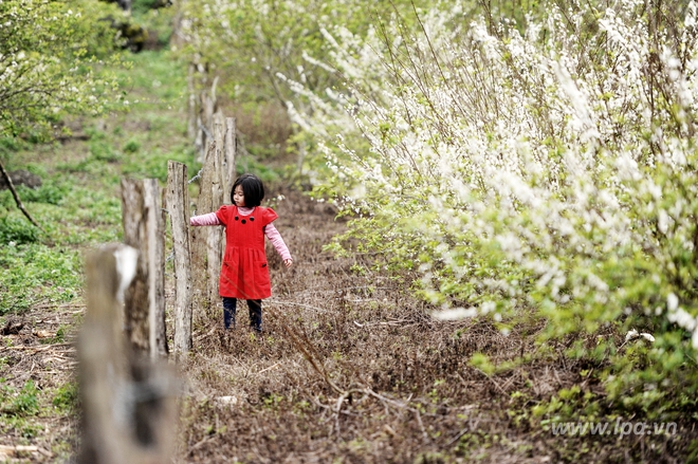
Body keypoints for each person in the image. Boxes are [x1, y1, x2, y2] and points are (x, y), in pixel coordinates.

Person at [190, 173, 293, 332]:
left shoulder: (261, 215)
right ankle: (229, 329)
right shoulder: (228, 212)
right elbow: (210, 218)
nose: (236, 197)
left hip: (253, 264)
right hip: (233, 262)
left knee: (254, 298)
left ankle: (255, 329)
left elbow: (275, 237)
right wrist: (191, 220)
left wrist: (285, 254)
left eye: (241, 194)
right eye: (235, 193)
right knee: (228, 296)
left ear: (252, 195)